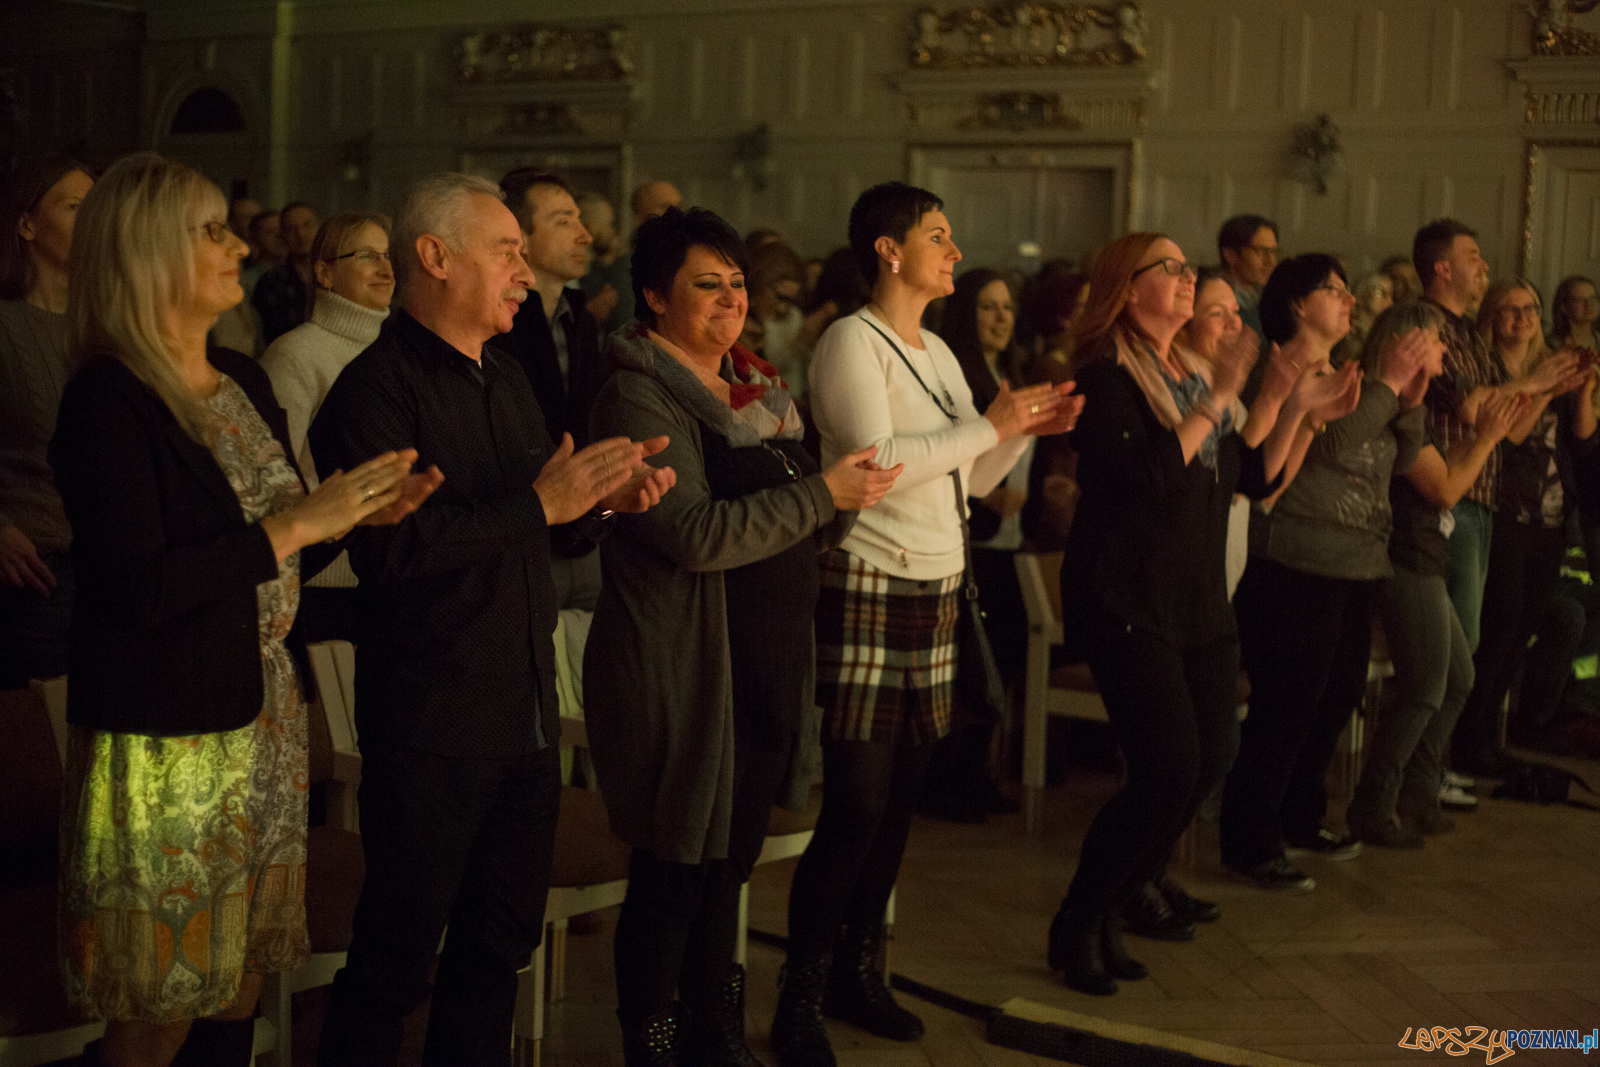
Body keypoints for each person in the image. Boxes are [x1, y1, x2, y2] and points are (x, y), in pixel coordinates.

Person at [51, 151, 432, 1067]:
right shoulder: (109, 398)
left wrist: (353, 517)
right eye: (212, 230)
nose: (236, 247)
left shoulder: (240, 379)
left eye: (228, 225)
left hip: (263, 719)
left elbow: (277, 549)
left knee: (240, 983)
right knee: (159, 1006)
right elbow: (138, 588)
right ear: (147, 254)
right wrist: (299, 521)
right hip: (168, 739)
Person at [309, 172, 674, 1067]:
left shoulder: (506, 378)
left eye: (521, 250)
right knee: (396, 960)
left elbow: (537, 522)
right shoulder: (372, 392)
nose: (522, 270)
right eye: (506, 250)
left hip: (522, 714)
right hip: (431, 722)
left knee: (496, 949)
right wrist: (545, 507)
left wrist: (604, 503)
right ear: (434, 258)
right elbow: (391, 552)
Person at [774, 181, 1081, 1067]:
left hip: (940, 585)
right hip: (869, 578)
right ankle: (801, 990)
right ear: (887, 248)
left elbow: (967, 482)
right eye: (937, 237)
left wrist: (1019, 429)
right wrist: (989, 423)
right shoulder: (847, 342)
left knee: (902, 799)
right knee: (858, 801)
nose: (953, 251)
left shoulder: (940, 352)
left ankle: (860, 973)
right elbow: (876, 464)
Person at [586, 205, 898, 1065]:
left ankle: (713, 1033)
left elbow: (799, 519)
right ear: (653, 296)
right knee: (673, 872)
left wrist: (840, 504)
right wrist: (821, 499)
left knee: (728, 861)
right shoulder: (637, 391)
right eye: (705, 285)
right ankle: (652, 1044)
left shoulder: (760, 389)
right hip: (685, 670)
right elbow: (694, 534)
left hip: (763, 663)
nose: (730, 301)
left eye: (736, 284)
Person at [1047, 236, 1351, 993]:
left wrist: (1290, 408)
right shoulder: (1108, 378)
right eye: (1172, 269)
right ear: (1127, 288)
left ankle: (1122, 897)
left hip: (1196, 596)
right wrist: (1222, 393)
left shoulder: (1184, 371)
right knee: (1168, 765)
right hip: (1127, 594)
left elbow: (1243, 475)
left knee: (1213, 755)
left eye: (1188, 269)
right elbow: (1153, 475)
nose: (1188, 280)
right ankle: (1081, 916)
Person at [1221, 253, 1429, 891]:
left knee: (1335, 696)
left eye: (1347, 289)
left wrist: (1408, 398)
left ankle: (1299, 815)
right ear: (1294, 305)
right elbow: (1334, 444)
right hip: (1292, 557)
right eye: (1332, 290)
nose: (1348, 300)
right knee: (1287, 700)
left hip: (1357, 560)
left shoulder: (1343, 373)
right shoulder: (1275, 371)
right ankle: (1251, 837)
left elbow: (1394, 458)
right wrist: (1389, 389)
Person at [1346, 302, 1527, 849]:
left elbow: (1445, 462)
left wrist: (1483, 436)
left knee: (1459, 678)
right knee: (1426, 682)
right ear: (1405, 346)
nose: (1446, 351)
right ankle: (1374, 801)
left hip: (1425, 551)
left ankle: (1418, 791)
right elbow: (1446, 487)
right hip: (1403, 555)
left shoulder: (1412, 405)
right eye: (1435, 342)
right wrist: (1489, 438)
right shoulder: (1387, 405)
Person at [1414, 220, 1575, 660]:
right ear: (1444, 269)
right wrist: (1538, 381)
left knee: (1472, 642)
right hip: (1450, 491)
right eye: (1473, 257)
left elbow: (1508, 425)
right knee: (1458, 651)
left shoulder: (1466, 332)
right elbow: (1472, 408)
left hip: (1480, 492)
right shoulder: (1427, 324)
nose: (1483, 264)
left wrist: (1548, 388)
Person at [1453, 279, 1595, 774]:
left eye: (1530, 309)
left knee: (1523, 632)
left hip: (1552, 514)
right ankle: (1468, 742)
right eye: (1510, 311)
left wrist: (1580, 391)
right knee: (1498, 629)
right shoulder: (1488, 370)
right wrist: (1542, 388)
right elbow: (1509, 438)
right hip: (1505, 509)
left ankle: (1491, 737)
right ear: (1491, 318)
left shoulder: (1548, 364)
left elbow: (1580, 440)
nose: (1523, 319)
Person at [927, 267, 1033, 821]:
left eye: (1007, 307)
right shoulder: (957, 378)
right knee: (967, 668)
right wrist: (987, 498)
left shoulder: (1011, 374)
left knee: (1001, 664)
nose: (1001, 318)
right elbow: (946, 456)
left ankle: (981, 774)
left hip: (1011, 544)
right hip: (971, 540)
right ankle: (951, 782)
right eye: (988, 307)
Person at [259, 210, 395, 641]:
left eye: (389, 256)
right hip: (324, 582)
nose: (386, 269)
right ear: (325, 273)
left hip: (387, 574)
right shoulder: (296, 356)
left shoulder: (395, 354)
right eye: (367, 256)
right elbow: (273, 482)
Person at [494, 169, 609, 611]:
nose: (585, 236)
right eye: (564, 222)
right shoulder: (494, 326)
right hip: (521, 538)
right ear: (519, 234)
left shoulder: (578, 319)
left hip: (585, 533)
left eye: (580, 220)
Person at [0, 153, 92, 688]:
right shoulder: (7, 324)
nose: (94, 220)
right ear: (27, 224)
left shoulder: (102, 327)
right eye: (77, 206)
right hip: (31, 578)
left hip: (105, 568)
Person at [597, 179, 685, 335]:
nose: (676, 213)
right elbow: (630, 331)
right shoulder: (628, 268)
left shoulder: (685, 259)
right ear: (640, 217)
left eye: (678, 205)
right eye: (665, 206)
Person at [253, 200, 320, 343]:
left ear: (318, 228)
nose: (300, 233)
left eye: (307, 225)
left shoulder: (336, 276)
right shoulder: (270, 281)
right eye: (291, 229)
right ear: (283, 235)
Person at [1217, 213, 1279, 336]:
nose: (1271, 261)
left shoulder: (1270, 299)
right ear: (1231, 255)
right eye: (1261, 251)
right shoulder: (1214, 303)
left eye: (1273, 252)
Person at [576, 189, 622, 325]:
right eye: (609, 224)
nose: (612, 231)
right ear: (591, 227)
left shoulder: (596, 263)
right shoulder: (580, 270)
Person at [1335, 272, 1395, 364]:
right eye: (1380, 292)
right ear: (1362, 292)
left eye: (1390, 294)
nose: (1389, 301)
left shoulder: (1388, 333)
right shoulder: (1346, 328)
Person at [1550, 274, 1598, 353]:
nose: (1589, 304)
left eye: (1593, 298)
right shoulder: (1551, 346)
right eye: (1580, 299)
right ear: (1564, 306)